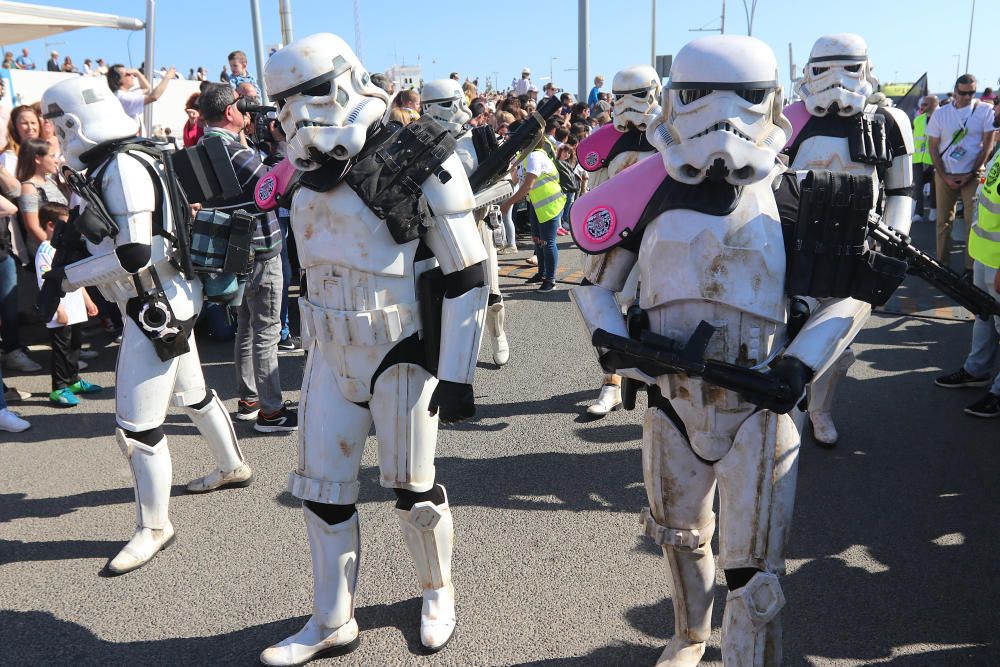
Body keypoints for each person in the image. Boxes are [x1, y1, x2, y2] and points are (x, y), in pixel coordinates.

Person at [570, 34, 899, 666]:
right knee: (677, 537)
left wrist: (800, 366)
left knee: (757, 578)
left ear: (771, 101)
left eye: (744, 99)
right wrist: (613, 347)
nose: (723, 120)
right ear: (675, 100)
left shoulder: (799, 194)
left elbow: (844, 299)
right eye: (699, 97)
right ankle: (690, 636)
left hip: (760, 405)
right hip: (670, 399)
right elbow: (596, 287)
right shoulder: (646, 190)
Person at [257, 32, 488, 664]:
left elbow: (468, 271)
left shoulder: (422, 162)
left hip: (401, 352)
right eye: (284, 102)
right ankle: (332, 619)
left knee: (413, 490)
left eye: (311, 92)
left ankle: (437, 592)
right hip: (329, 353)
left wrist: (459, 374)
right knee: (321, 491)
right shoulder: (298, 175)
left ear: (347, 81)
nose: (298, 113)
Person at [40, 75, 253, 573]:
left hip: (153, 302)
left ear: (74, 122)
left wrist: (68, 279)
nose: (56, 137)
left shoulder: (123, 166)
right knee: (194, 394)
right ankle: (231, 465)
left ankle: (154, 527)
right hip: (166, 298)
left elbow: (135, 253)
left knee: (136, 427)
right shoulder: (117, 162)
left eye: (58, 126)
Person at [783, 33, 914, 446]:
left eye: (847, 67)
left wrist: (893, 240)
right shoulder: (790, 118)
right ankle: (783, 408)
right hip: (795, 246)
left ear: (866, 70)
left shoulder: (890, 122)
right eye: (823, 69)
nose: (835, 80)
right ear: (808, 71)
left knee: (837, 344)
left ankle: (821, 411)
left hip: (859, 246)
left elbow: (900, 191)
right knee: (783, 333)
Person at [198, 83, 295, 432]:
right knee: (267, 330)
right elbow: (271, 186)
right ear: (229, 113)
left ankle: (248, 399)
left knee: (245, 328)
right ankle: (271, 411)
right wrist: (288, 150)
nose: (247, 114)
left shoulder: (200, 147)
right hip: (261, 247)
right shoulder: (236, 153)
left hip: (230, 252)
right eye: (242, 108)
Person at [575, 64, 661, 417]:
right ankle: (611, 381)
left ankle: (665, 385)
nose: (628, 104)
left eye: (637, 95)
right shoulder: (605, 140)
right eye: (621, 97)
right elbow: (596, 192)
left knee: (663, 310)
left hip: (663, 235)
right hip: (618, 237)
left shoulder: (673, 133)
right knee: (597, 300)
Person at [422, 77, 510, 365]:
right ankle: (453, 355)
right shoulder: (417, 143)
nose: (457, 109)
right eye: (448, 104)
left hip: (478, 224)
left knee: (491, 294)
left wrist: (473, 199)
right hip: (435, 230)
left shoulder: (479, 140)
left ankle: (498, 335)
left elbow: (505, 181)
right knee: (445, 296)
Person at [934, 150, 1000, 417]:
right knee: (983, 316)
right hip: (986, 255)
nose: (995, 108)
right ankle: (976, 370)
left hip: (997, 262)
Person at [34, 202, 104, 406]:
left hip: (75, 308)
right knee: (61, 351)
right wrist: (59, 309)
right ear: (50, 225)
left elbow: (76, 278)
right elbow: (44, 283)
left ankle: (73, 380)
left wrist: (88, 301)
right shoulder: (45, 251)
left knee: (74, 346)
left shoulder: (65, 247)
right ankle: (59, 388)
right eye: (64, 224)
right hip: (60, 310)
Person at [926, 74, 996, 269]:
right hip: (945, 174)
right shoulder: (941, 114)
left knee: (972, 223)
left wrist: (971, 173)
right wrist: (943, 175)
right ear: (955, 91)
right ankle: (942, 265)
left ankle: (970, 268)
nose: (967, 97)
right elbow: (933, 146)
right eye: (963, 93)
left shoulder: (984, 111)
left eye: (971, 92)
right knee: (943, 222)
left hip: (973, 175)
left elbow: (987, 147)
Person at [500, 121, 566, 292]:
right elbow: (515, 179)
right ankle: (541, 273)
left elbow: (527, 185)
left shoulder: (535, 156)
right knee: (538, 241)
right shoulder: (525, 156)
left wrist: (508, 203)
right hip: (537, 204)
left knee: (548, 242)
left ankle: (550, 280)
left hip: (549, 204)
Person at [16, 137, 68, 254]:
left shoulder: (51, 180)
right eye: (51, 156)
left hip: (62, 245)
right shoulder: (29, 188)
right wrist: (51, 251)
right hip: (48, 253)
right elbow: (33, 227)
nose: (56, 161)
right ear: (38, 159)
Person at [107, 64, 175, 133]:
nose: (132, 76)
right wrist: (167, 77)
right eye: (128, 74)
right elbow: (153, 96)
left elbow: (147, 88)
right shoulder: (123, 97)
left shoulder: (124, 94)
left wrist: (137, 73)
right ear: (118, 79)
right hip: (131, 142)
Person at [912, 95, 939, 222]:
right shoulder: (918, 119)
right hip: (918, 159)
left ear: (934, 104)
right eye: (922, 104)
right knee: (917, 187)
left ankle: (934, 209)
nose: (922, 107)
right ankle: (918, 212)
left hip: (935, 159)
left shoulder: (941, 118)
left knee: (935, 187)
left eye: (925, 104)